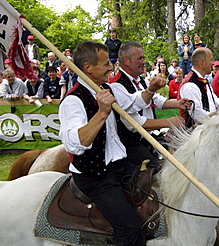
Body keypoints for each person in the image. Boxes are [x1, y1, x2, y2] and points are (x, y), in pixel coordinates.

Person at [58, 40, 166, 246]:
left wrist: (150, 89)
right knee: (130, 228)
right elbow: (75, 144)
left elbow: (134, 102)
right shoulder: (73, 100)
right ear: (88, 68)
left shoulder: (107, 89)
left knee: (158, 187)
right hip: (95, 176)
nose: (111, 67)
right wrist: (101, 113)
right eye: (106, 63)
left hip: (119, 166)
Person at [179, 47, 219, 126]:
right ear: (202, 63)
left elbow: (214, 100)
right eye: (211, 60)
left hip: (209, 126)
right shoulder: (190, 85)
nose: (213, 63)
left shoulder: (203, 79)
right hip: (197, 132)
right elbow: (197, 114)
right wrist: (217, 121)